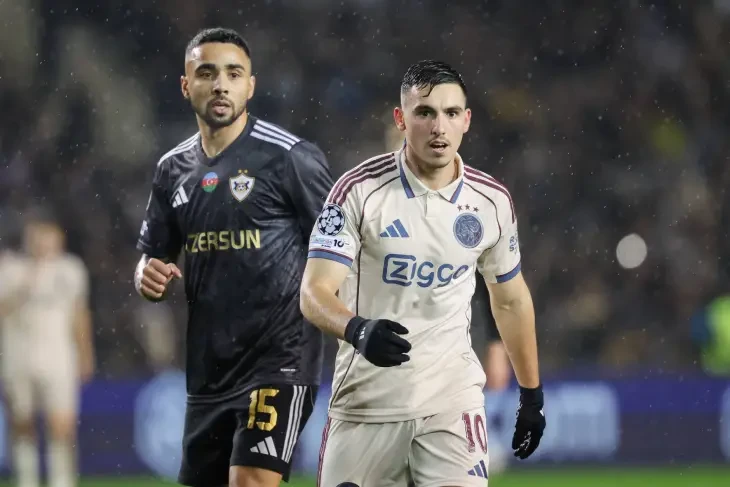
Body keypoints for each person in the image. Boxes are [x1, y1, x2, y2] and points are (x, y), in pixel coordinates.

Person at [301, 60, 546, 486]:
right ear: (401, 119)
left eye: (451, 113)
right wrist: (357, 330)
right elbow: (314, 291)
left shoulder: (491, 202)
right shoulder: (357, 191)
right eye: (425, 113)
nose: (439, 127)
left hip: (452, 407)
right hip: (365, 408)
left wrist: (531, 394)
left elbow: (510, 300)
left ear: (466, 120)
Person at [133, 27, 333, 487]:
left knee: (249, 481)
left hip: (280, 360)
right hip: (209, 371)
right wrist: (146, 275)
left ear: (251, 86)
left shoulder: (291, 158)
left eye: (233, 74)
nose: (221, 84)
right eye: (207, 73)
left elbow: (342, 248)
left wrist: (353, 327)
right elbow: (151, 257)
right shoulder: (172, 170)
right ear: (186, 86)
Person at [0, 210, 95, 487]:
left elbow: (80, 315)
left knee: (61, 424)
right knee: (22, 421)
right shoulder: (10, 268)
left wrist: (86, 354)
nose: (43, 242)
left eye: (48, 235)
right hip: (18, 355)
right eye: (37, 236)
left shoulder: (71, 269)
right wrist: (27, 283)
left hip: (59, 356)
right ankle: (26, 480)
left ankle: (61, 481)